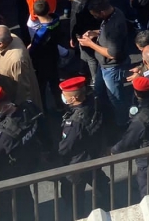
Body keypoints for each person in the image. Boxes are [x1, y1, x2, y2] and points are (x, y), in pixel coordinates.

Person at [0, 86, 43, 220]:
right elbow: (43, 129)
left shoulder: (1, 136)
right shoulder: (29, 109)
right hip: (29, 163)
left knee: (6, 208)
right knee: (25, 201)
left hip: (8, 176)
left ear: (5, 107)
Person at [110, 76, 149, 198]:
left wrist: (114, 150)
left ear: (136, 93)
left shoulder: (140, 120)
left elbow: (128, 140)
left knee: (148, 192)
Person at [57, 77, 110, 212]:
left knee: (72, 196)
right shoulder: (93, 104)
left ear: (73, 98)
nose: (63, 97)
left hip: (77, 163)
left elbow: (66, 146)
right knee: (100, 183)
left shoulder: (74, 122)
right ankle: (107, 206)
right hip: (94, 155)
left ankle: (78, 215)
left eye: (64, 95)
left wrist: (56, 156)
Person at [78, 0, 130, 126]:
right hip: (103, 65)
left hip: (112, 67)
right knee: (99, 90)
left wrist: (90, 44)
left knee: (115, 97)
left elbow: (112, 54)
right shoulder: (114, 12)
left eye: (95, 15)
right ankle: (105, 115)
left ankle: (122, 123)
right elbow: (104, 31)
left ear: (102, 12)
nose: (94, 17)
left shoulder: (114, 26)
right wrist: (95, 33)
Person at [0, 24, 43, 110]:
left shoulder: (17, 60)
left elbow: (23, 88)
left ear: (0, 44)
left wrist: (17, 107)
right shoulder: (10, 37)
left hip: (12, 100)